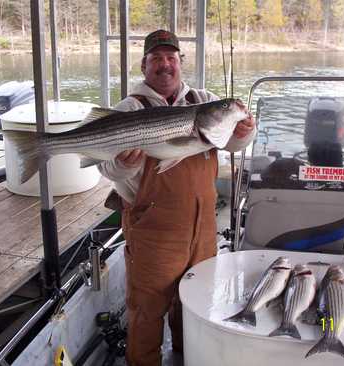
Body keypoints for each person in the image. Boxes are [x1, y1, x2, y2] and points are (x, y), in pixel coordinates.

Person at [97, 29, 256, 366]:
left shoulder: (203, 99)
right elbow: (108, 170)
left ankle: (189, 356)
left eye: (171, 58)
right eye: (157, 59)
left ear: (180, 62)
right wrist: (124, 165)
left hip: (203, 225)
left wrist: (243, 132)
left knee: (196, 300)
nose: (165, 65)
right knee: (147, 306)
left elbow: (229, 143)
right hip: (154, 226)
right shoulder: (129, 108)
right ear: (144, 66)